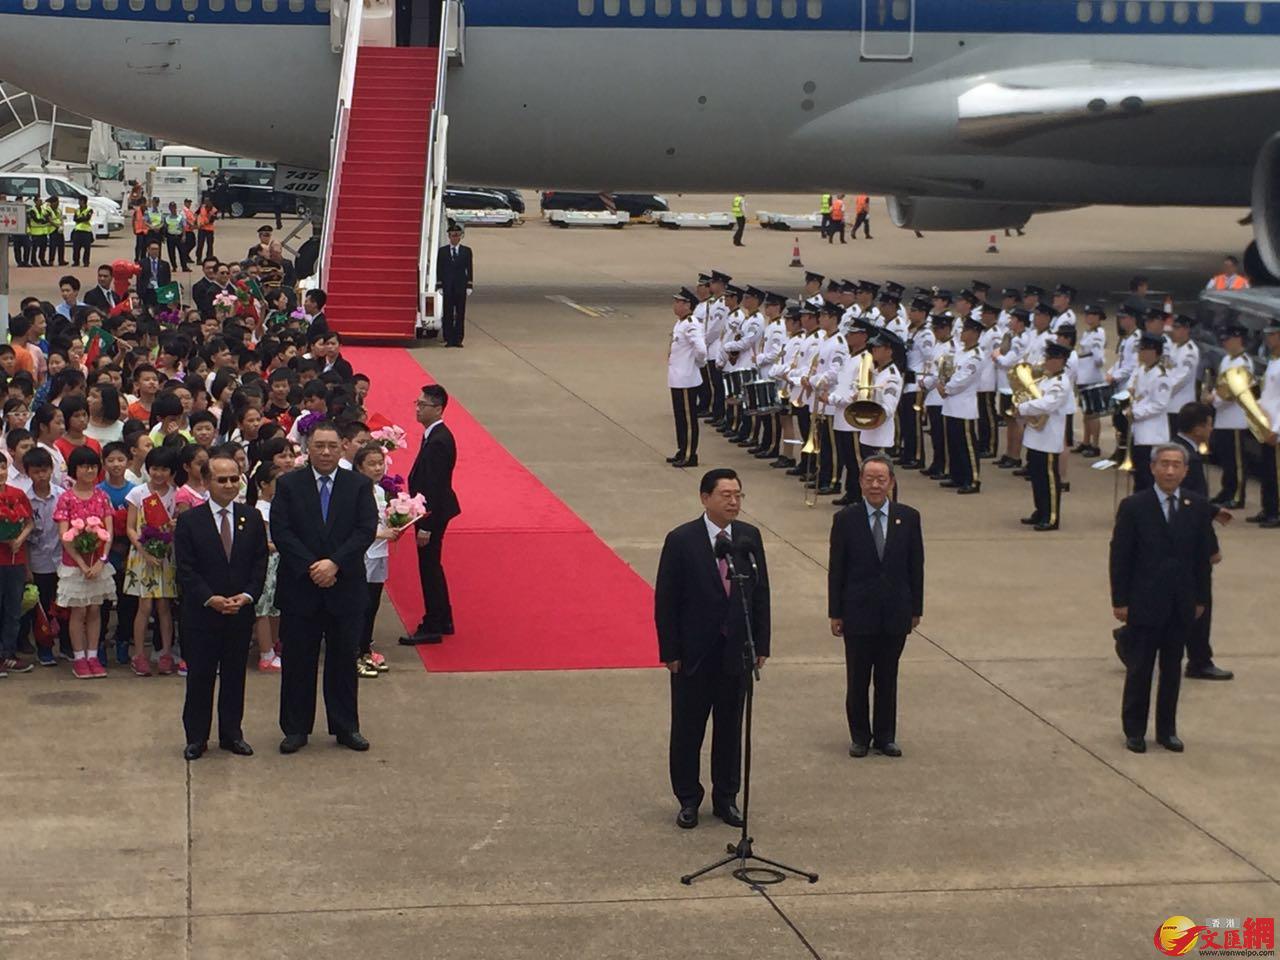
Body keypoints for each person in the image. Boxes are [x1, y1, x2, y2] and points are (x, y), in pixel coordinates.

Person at [655, 468, 769, 829]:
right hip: (694, 655)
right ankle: (688, 798)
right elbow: (667, 601)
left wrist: (761, 643)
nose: (733, 501)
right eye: (726, 495)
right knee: (688, 730)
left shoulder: (749, 538)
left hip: (735, 652)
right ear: (705, 498)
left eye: (738, 495)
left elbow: (760, 593)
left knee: (730, 729)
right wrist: (670, 651)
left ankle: (726, 797)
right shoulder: (682, 540)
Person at [271, 421, 378, 754]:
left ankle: (346, 727)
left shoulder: (358, 485)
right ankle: (295, 728)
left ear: (342, 446)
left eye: (333, 445)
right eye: (320, 446)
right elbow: (282, 531)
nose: (326, 452)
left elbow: (365, 529)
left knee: (343, 660)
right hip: (301, 586)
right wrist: (311, 566)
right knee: (298, 661)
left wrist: (335, 563)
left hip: (344, 586)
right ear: (309, 448)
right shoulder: (289, 485)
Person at [1110, 444, 1215, 753]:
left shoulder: (1195, 505)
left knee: (1172, 670)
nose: (1170, 471)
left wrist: (1200, 600)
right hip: (1144, 602)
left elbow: (1202, 560)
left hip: (1180, 603)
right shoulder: (1134, 506)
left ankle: (1167, 730)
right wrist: (1120, 600)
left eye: (1176, 465)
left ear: (1185, 470)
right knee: (1140, 669)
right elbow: (1120, 557)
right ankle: (1135, 730)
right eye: (1164, 464)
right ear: (1153, 468)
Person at [175, 452, 268, 760]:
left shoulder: (251, 518)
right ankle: (196, 738)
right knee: (200, 677)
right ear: (206, 482)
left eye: (233, 479)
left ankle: (232, 734)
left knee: (234, 676)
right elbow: (185, 568)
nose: (229, 485)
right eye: (221, 479)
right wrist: (209, 598)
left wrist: (247, 595)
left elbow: (259, 563)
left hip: (239, 611)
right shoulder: (190, 520)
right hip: (202, 614)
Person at [828, 456, 923, 757]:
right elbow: (837, 569)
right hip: (857, 611)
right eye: (869, 478)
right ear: (860, 482)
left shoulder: (908, 517)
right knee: (858, 678)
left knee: (887, 676)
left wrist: (915, 608)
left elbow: (916, 566)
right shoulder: (846, 519)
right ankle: (859, 735)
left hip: (895, 611)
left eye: (881, 479)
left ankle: (885, 736)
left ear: (892, 482)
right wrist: (835, 612)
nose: (875, 485)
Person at [1170, 402, 1234, 683]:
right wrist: (1211, 547)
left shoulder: (1171, 450)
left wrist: (1213, 510)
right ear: (1198, 428)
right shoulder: (1190, 461)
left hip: (1170, 537)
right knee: (1199, 601)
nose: (1211, 429)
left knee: (1170, 597)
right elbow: (1193, 505)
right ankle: (1199, 660)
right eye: (1209, 424)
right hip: (1190, 544)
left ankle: (1131, 637)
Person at [401, 385, 461, 645]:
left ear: (438, 409)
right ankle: (443, 617)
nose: (417, 408)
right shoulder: (433, 435)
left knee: (429, 567)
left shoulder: (439, 440)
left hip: (432, 514)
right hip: (430, 511)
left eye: (422, 404)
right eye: (417, 402)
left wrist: (426, 525)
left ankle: (434, 623)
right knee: (431, 565)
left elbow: (434, 486)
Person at [54, 447, 116, 679]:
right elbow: (64, 535)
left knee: (95, 610)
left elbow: (108, 532)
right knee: (78, 611)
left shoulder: (102, 496)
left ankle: (93, 656)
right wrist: (81, 563)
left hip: (98, 563)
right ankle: (79, 658)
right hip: (74, 564)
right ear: (74, 470)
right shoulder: (66, 498)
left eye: (92, 466)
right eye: (83, 466)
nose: (89, 470)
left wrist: (101, 560)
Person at [124, 446, 181, 677]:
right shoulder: (137, 493)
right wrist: (142, 550)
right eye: (155, 468)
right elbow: (130, 527)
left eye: (164, 469)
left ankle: (166, 653)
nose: (159, 474)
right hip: (142, 556)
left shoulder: (176, 494)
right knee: (144, 606)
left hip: (166, 555)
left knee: (164, 607)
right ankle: (139, 655)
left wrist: (174, 529)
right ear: (148, 469)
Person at [1016, 341, 1073, 531]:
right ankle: (1040, 510)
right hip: (1036, 434)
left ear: (1060, 360)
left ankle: (1051, 516)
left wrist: (1022, 408)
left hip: (1049, 437)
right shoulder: (1045, 379)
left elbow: (1047, 404)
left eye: (1050, 358)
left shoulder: (1061, 383)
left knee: (1049, 479)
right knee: (1037, 476)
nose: (1046, 361)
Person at [355, 444, 398, 675]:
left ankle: (365, 650)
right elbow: (353, 527)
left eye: (380, 463)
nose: (377, 468)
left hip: (379, 554)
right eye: (371, 464)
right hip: (362, 556)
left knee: (372, 605)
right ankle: (354, 653)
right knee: (359, 606)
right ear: (359, 467)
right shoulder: (355, 492)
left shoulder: (380, 491)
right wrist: (382, 534)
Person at [1208, 323, 1252, 509]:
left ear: (1238, 340)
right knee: (1226, 458)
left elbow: (1235, 390)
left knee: (1237, 461)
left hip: (1236, 418)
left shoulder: (1244, 362)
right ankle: (1227, 490)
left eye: (1228, 340)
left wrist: (1215, 398)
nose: (1225, 343)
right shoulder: (1226, 360)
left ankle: (1237, 494)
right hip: (1223, 417)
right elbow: (1220, 383)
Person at [0, 452, 34, 676]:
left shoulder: (18, 494)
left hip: (16, 559)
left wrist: (18, 539)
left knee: (13, 609)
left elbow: (29, 522)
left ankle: (7, 654)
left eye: (3, 467)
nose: (0, 473)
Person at [666, 287, 707, 469]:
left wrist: (695, 364)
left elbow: (701, 350)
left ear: (688, 305)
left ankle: (690, 454)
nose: (675, 305)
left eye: (679, 302)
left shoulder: (691, 323)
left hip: (686, 379)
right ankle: (682, 450)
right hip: (677, 378)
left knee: (688, 419)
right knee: (680, 418)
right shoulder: (681, 323)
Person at [1256, 320, 1280, 528]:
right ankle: (1269, 507)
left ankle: (1277, 511)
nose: (1269, 338)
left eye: (1273, 335)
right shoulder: (1273, 360)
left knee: (1276, 471)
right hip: (1266, 423)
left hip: (1276, 427)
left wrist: (1277, 429)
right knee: (1267, 470)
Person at [436, 223, 474, 348]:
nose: (454, 238)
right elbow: (439, 269)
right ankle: (449, 338)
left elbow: (469, 269)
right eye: (452, 235)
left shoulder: (466, 251)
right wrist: (439, 285)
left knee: (460, 314)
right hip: (447, 286)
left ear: (460, 237)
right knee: (447, 314)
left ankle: (458, 339)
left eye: (457, 235)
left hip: (460, 286)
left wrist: (469, 285)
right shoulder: (442, 251)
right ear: (449, 236)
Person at [138, 240, 172, 308]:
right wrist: (140, 293)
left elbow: (167, 280)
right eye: (153, 249)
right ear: (148, 250)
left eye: (157, 249)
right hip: (147, 291)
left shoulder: (164, 264)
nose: (155, 251)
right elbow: (139, 279)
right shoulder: (142, 263)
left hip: (159, 291)